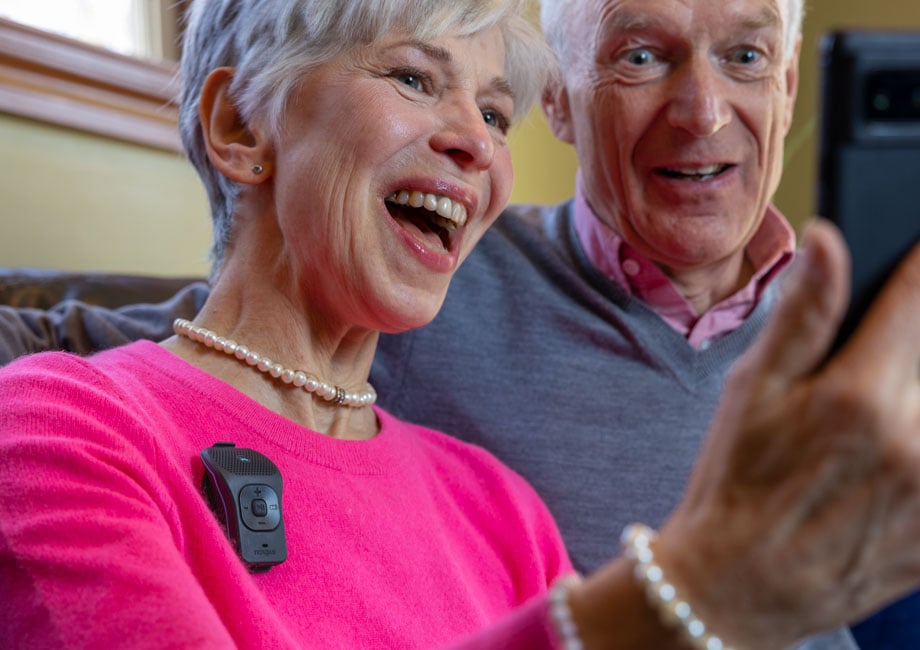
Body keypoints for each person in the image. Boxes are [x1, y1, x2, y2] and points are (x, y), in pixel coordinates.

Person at [2, 0, 919, 647]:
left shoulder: (500, 506)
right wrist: (694, 591)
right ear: (240, 125)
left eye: (492, 111)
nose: (480, 144)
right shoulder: (61, 426)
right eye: (412, 77)